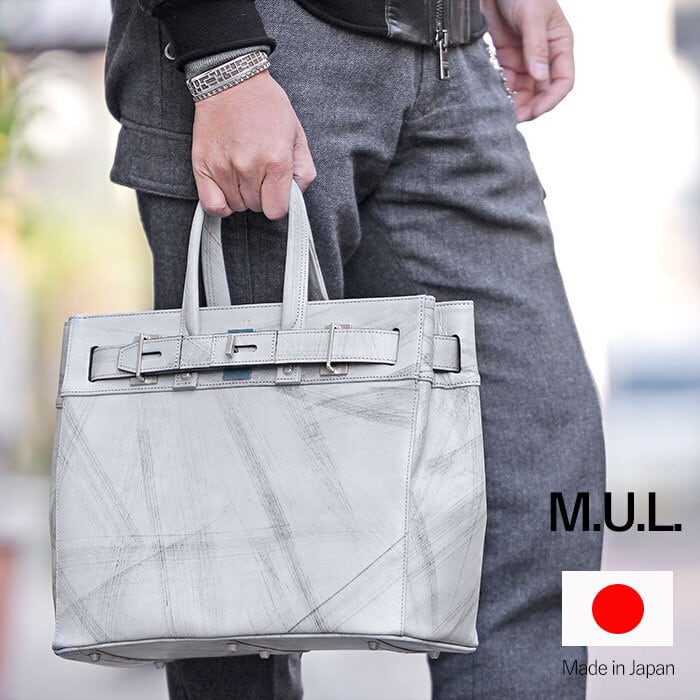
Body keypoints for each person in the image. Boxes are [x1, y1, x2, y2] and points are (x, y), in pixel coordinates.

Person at [105, 0, 605, 697]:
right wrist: (222, 56)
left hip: (451, 56)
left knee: (539, 472)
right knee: (237, 552)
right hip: (266, 46)